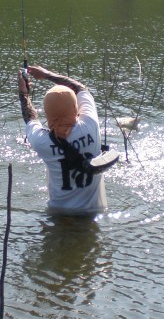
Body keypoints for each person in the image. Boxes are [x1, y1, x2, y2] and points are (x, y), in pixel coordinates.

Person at [17, 65, 116, 215]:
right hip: (94, 213)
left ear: (48, 114)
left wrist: (24, 92)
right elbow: (81, 88)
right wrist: (47, 74)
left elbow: (30, 117)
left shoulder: (41, 142)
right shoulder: (90, 124)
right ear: (75, 109)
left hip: (58, 215)